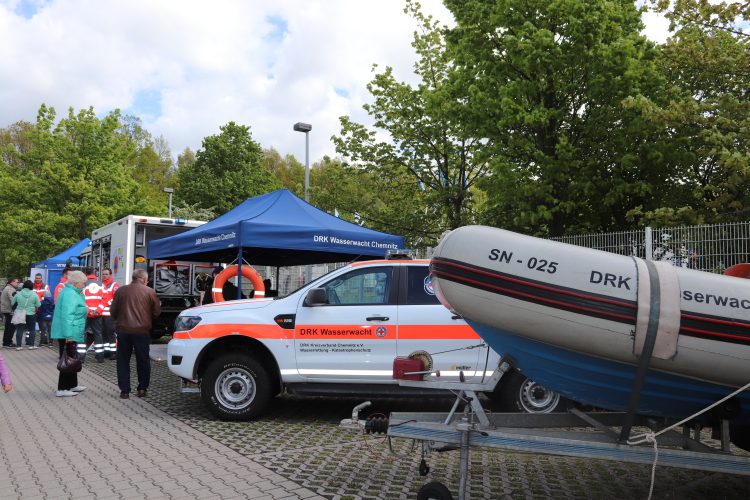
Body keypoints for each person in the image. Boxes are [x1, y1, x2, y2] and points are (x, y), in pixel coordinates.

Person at [110, 269, 160, 399]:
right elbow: (156, 312)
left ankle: (124, 391)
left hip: (123, 330)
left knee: (123, 361)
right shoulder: (150, 291)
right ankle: (142, 388)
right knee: (143, 360)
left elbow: (113, 311)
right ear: (144, 279)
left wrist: (120, 320)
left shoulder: (120, 291)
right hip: (142, 331)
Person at [50, 270, 88, 397]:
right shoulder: (70, 294)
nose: (84, 285)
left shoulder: (71, 292)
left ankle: (72, 385)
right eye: (83, 282)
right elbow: (67, 315)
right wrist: (68, 335)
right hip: (69, 332)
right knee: (67, 359)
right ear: (76, 282)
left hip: (72, 330)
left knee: (72, 358)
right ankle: (62, 388)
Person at [11, 280, 41, 350]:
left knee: (19, 329)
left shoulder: (18, 293)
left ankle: (18, 346)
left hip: (20, 313)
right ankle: (31, 345)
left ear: (23, 286)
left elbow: (12, 303)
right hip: (31, 314)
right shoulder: (34, 294)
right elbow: (38, 304)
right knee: (32, 329)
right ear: (31, 286)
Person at [83, 267, 105, 362]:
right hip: (97, 314)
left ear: (85, 274)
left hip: (86, 314)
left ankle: (81, 357)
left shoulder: (83, 284)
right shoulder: (101, 284)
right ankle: (100, 357)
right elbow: (105, 299)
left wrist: (88, 310)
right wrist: (98, 310)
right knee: (98, 334)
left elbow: (80, 299)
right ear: (94, 273)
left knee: (82, 334)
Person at [100, 267, 119, 360]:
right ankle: (107, 351)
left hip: (110, 314)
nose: (104, 276)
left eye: (106, 274)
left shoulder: (114, 285)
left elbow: (116, 299)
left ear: (110, 275)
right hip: (101, 314)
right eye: (103, 274)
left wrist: (105, 304)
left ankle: (114, 352)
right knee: (103, 333)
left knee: (111, 334)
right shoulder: (100, 285)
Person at [1, 278, 20, 348]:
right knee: (11, 326)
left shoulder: (9, 288)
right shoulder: (10, 289)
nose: (18, 283)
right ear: (12, 282)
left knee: (9, 326)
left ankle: (6, 342)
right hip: (9, 310)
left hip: (7, 309)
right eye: (17, 282)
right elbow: (13, 300)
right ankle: (7, 342)